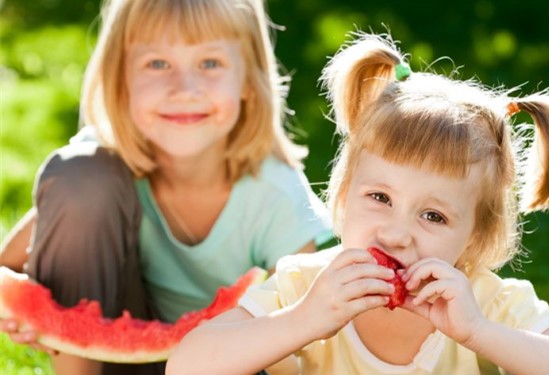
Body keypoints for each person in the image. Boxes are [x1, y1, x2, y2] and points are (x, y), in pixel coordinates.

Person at [166, 32, 549, 375]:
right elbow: (186, 366)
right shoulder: (306, 286)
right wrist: (303, 321)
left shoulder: (485, 304)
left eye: (433, 215)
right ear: (344, 196)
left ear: (476, 237)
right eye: (380, 197)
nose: (395, 233)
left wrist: (479, 333)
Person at [0, 0, 333, 374]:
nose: (184, 88)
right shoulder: (97, 172)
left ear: (248, 81)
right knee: (80, 175)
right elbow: (8, 266)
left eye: (210, 63)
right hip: (110, 363)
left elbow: (308, 327)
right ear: (120, 79)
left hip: (222, 363)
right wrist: (27, 306)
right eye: (158, 63)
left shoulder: (275, 193)